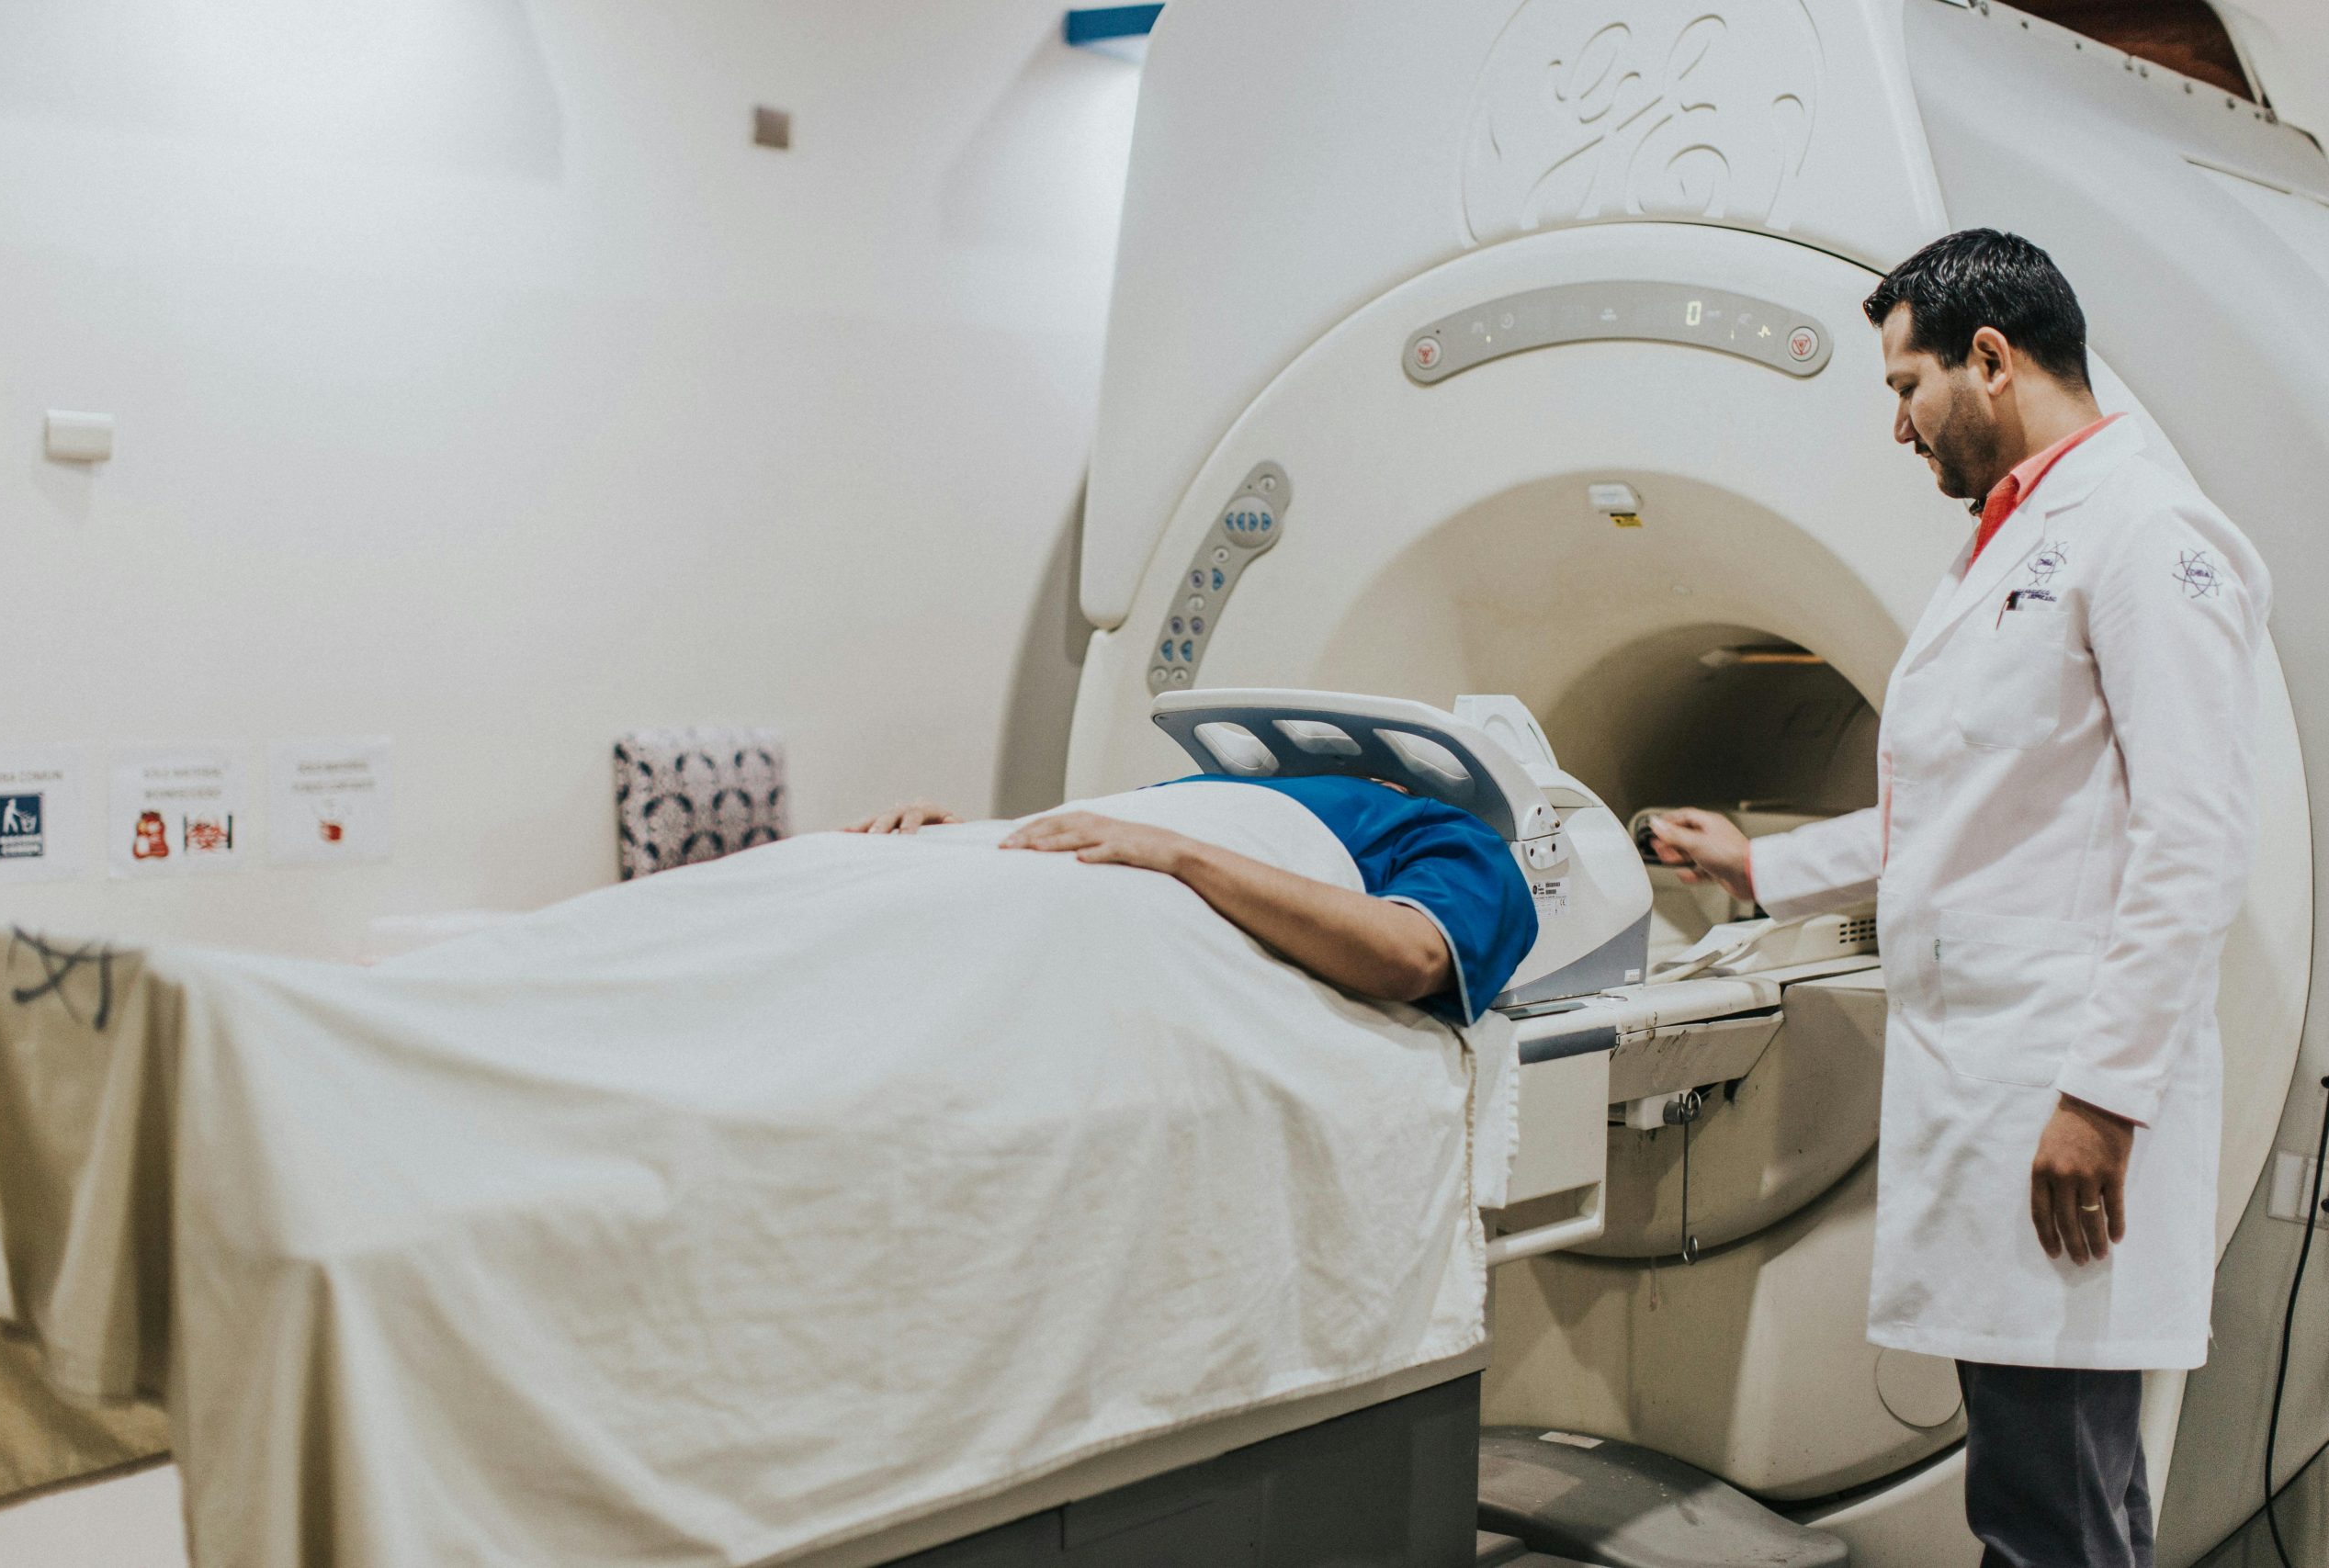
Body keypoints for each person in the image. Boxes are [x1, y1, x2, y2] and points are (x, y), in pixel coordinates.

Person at [1648, 230, 2270, 1568]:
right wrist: (1762, 865)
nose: (1897, 425)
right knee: (2038, 1497)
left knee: (2055, 1508)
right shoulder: (2015, 538)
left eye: (1906, 383)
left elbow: (2197, 834)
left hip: (2062, 1097)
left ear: (1991, 358)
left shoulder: (2145, 534)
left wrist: (2104, 1097)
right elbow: (1963, 813)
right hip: (1996, 1088)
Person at [849, 772, 1539, 1028]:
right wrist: (971, 836)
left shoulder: (1446, 830)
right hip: (970, 865)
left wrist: (1182, 853)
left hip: (1086, 901)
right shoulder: (1195, 789)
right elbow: (1084, 847)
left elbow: (1411, 955)